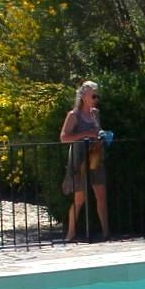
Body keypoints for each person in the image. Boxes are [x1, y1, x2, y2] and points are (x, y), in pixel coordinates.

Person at [60, 81, 110, 242]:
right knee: (79, 199)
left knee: (101, 196)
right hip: (80, 159)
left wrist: (102, 135)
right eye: (93, 95)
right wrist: (85, 134)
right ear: (83, 96)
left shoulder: (95, 113)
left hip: (95, 157)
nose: (96, 98)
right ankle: (71, 233)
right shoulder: (73, 116)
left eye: (97, 95)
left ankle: (106, 232)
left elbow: (97, 131)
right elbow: (64, 138)